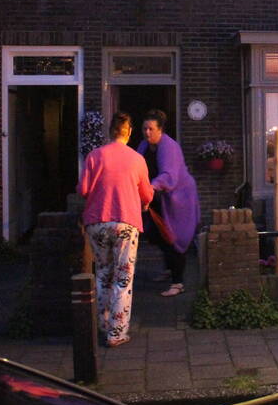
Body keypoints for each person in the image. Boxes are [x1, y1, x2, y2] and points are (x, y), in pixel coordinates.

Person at [78, 112, 154, 348]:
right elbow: (147, 194)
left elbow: (83, 190)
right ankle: (117, 333)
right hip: (125, 222)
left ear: (109, 131)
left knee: (102, 273)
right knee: (123, 278)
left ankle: (103, 324)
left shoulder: (94, 156)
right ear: (129, 132)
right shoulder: (137, 159)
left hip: (97, 222)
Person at [137, 109, 200, 297]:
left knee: (173, 237)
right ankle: (169, 269)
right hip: (158, 197)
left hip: (179, 199)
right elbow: (136, 165)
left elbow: (169, 175)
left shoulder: (169, 146)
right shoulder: (144, 146)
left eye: (151, 129)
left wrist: (150, 186)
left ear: (160, 130)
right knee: (156, 233)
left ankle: (178, 282)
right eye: (144, 128)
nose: (147, 132)